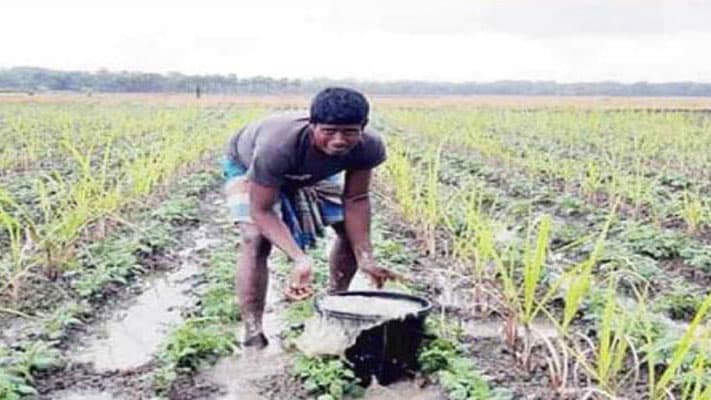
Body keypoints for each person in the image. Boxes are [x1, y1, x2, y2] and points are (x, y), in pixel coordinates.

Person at [222, 87, 401, 348]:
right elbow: (261, 210)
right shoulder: (277, 146)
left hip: (312, 169)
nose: (339, 140)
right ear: (312, 125)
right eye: (328, 131)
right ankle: (253, 332)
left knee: (348, 231)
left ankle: (335, 305)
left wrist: (366, 257)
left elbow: (356, 199)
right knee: (255, 238)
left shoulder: (368, 146)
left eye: (350, 132)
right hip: (250, 165)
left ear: (363, 127)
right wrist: (299, 259)